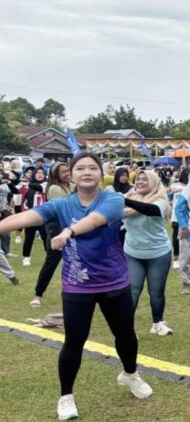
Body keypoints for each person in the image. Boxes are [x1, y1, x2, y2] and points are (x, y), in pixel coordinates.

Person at [0, 152, 152, 420]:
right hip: (77, 286)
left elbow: (95, 220)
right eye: (80, 168)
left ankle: (130, 374)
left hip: (114, 281)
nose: (87, 172)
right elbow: (26, 217)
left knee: (125, 334)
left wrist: (68, 231)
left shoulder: (113, 198)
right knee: (74, 341)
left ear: (100, 171)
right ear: (71, 173)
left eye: (92, 167)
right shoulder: (60, 205)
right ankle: (66, 396)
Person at [123, 170, 174, 336]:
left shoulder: (160, 200)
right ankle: (127, 328)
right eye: (138, 179)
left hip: (158, 253)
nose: (140, 182)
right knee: (132, 289)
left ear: (154, 182)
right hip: (133, 252)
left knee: (156, 291)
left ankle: (158, 322)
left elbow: (150, 210)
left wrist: (125, 201)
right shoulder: (129, 196)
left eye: (145, 179)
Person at [30, 162, 74, 308]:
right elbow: (65, 206)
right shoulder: (55, 188)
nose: (67, 173)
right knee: (51, 262)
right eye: (63, 172)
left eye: (68, 170)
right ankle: (38, 295)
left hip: (73, 226)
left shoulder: (72, 185)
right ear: (56, 175)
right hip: (57, 228)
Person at [21, 167, 48, 267]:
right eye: (38, 173)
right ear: (34, 174)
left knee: (46, 237)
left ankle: (47, 255)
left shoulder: (46, 185)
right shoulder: (30, 187)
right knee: (29, 238)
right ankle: (26, 258)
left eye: (42, 173)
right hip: (32, 215)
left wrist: (27, 182)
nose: (40, 174)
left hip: (44, 216)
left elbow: (39, 188)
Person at [168, 168, 189, 269]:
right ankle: (175, 258)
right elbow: (166, 191)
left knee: (187, 238)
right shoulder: (175, 185)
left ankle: (185, 258)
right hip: (176, 217)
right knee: (176, 237)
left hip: (188, 216)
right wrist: (172, 190)